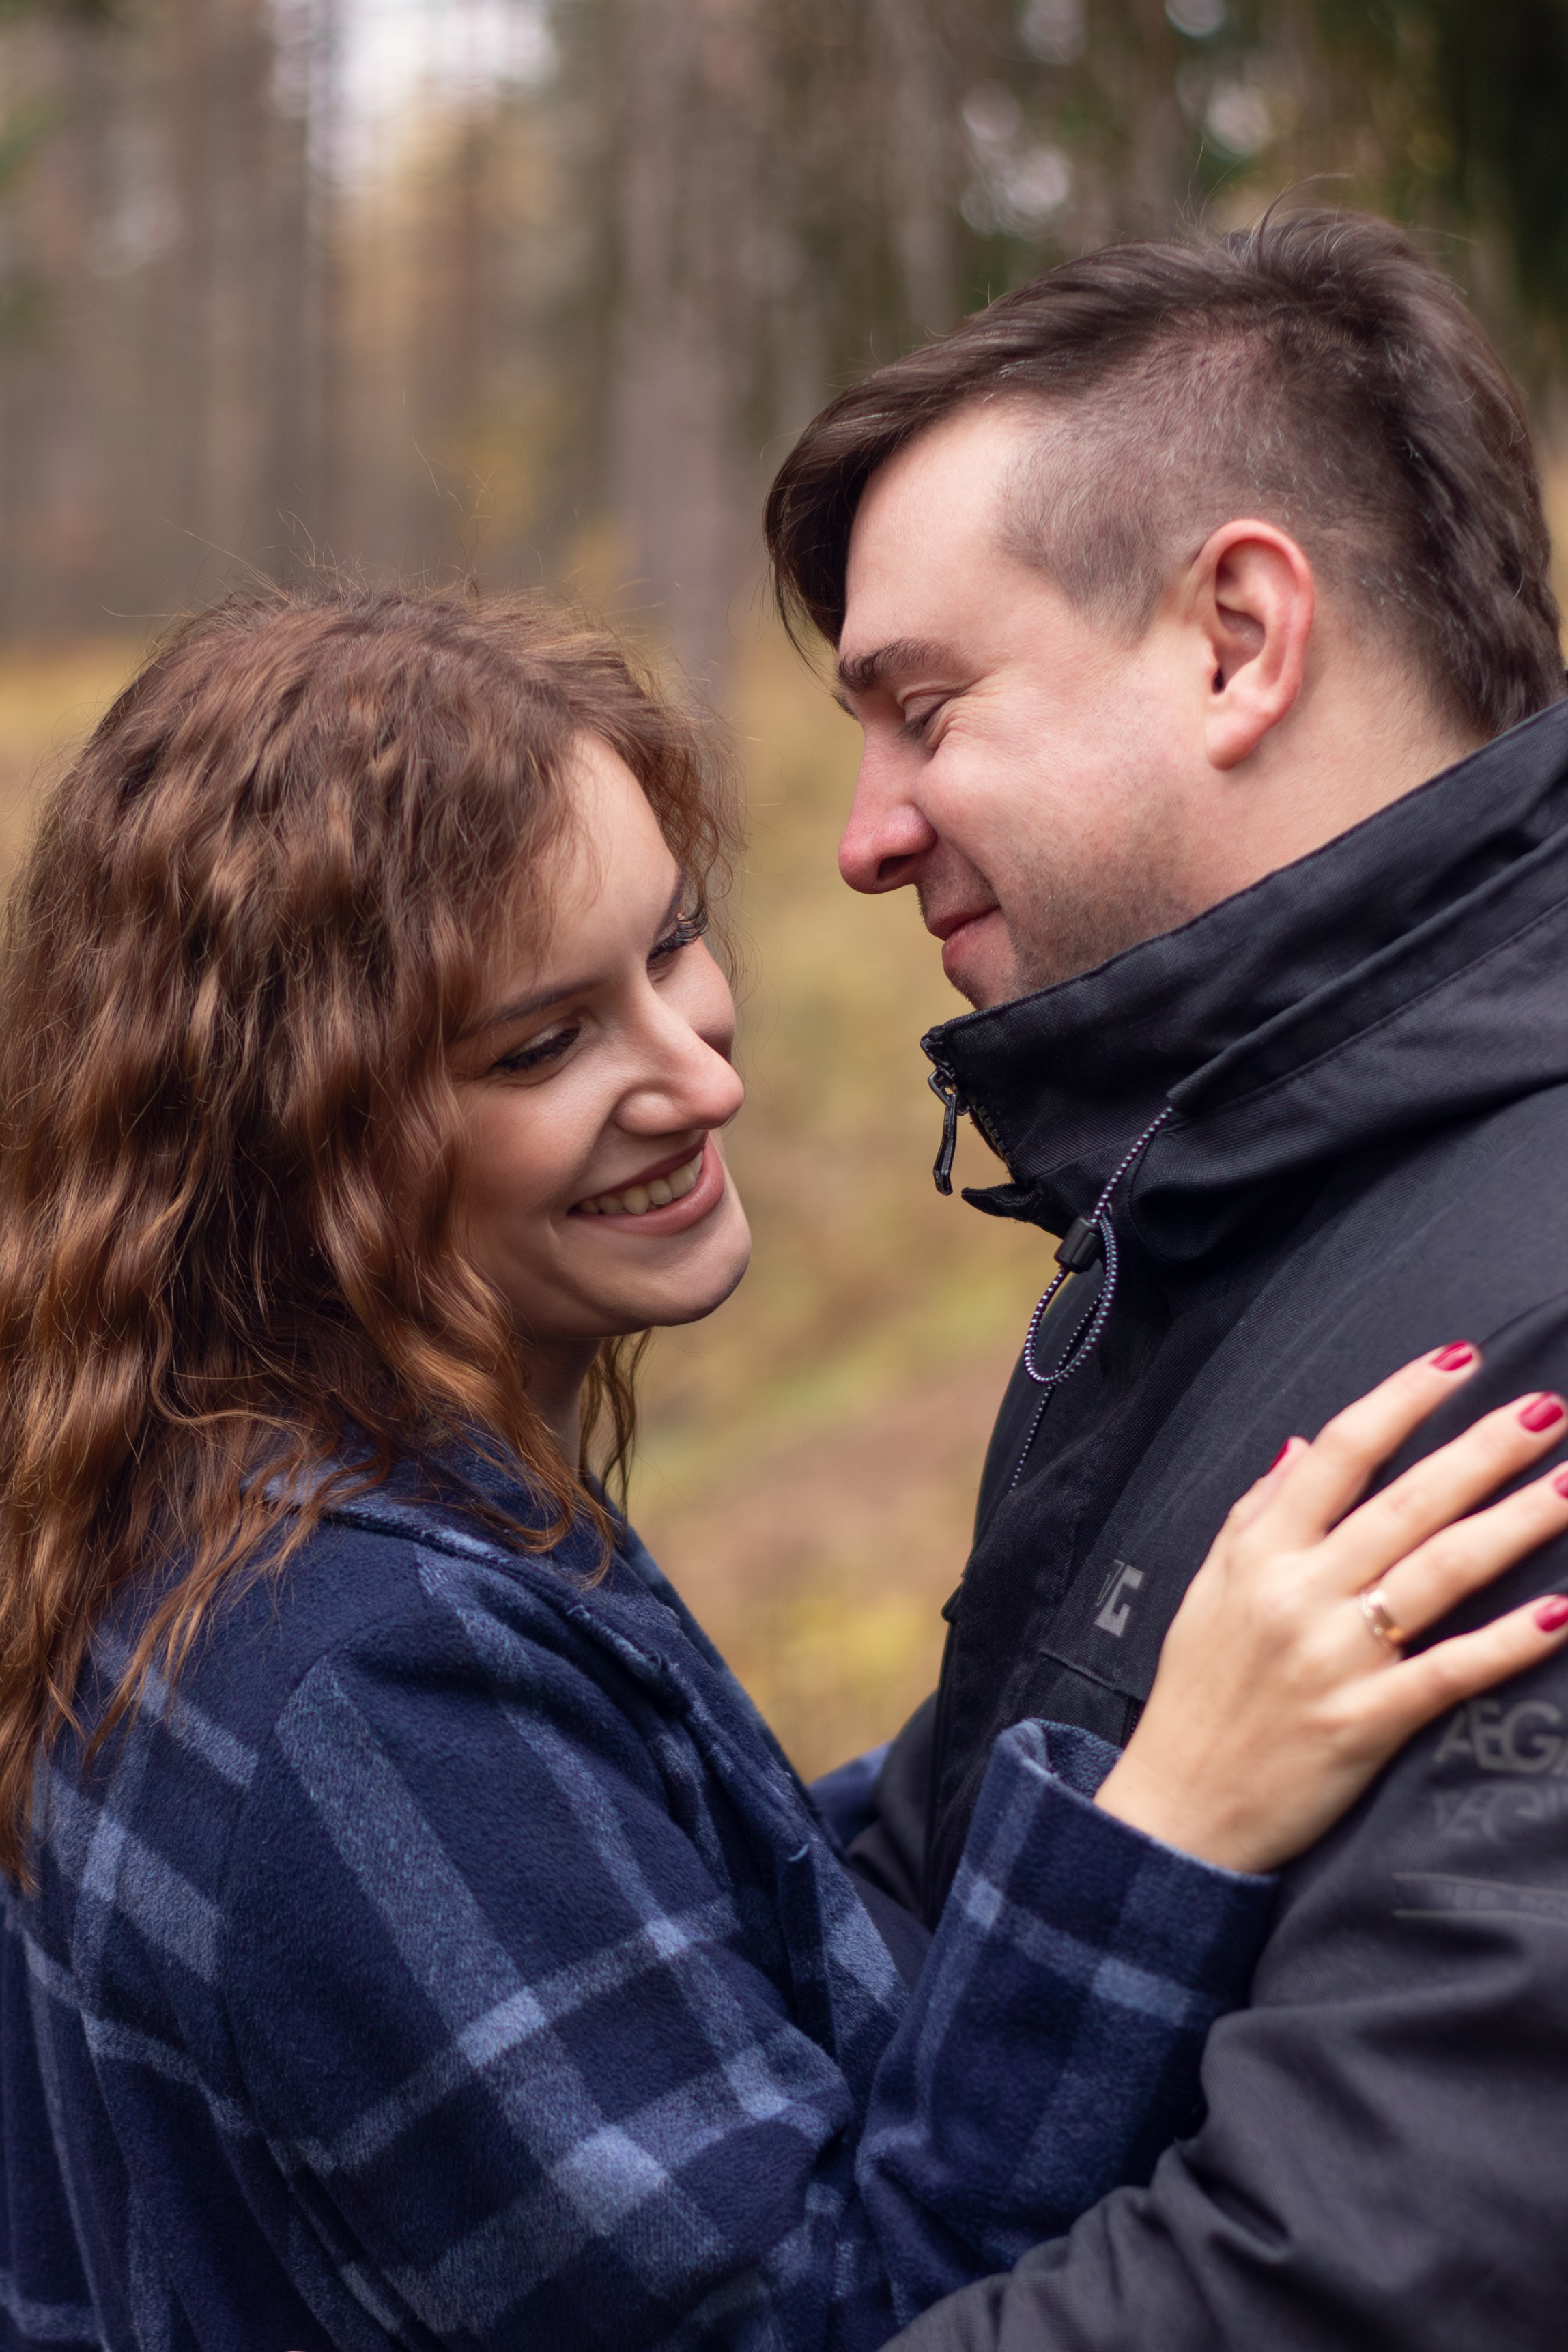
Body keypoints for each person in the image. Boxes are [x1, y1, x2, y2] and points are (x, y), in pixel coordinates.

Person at [0, 589, 1562, 2352]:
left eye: (666, 948)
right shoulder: (360, 1674)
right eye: (541, 1043)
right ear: (300, 1139)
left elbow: (679, 1920)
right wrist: (1167, 1825)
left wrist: (1123, 1687)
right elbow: (821, 2323)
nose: (693, 1074)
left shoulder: (272, 1493)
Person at [765, 207, 1568, 2350]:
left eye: (921, 706)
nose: (862, 831)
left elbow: (1355, 2280)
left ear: (1236, 636)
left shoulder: (1537, 1314)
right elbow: (908, 1911)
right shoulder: (1194, 1204)